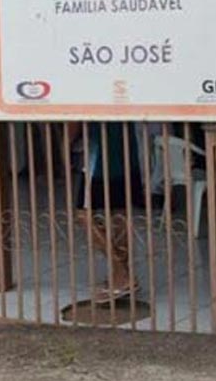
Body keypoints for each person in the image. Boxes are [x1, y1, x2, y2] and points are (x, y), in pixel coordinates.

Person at [68, 121, 143, 302]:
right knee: (119, 212)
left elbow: (75, 122)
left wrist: (67, 143)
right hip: (125, 148)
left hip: (99, 156)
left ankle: (121, 272)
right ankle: (122, 277)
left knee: (83, 214)